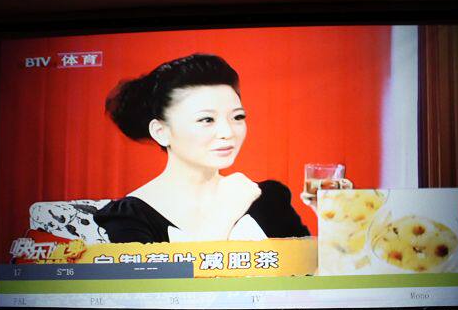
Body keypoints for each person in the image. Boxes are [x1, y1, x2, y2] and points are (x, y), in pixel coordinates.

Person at [94, 53, 310, 243]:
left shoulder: (266, 198)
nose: (227, 132)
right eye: (206, 119)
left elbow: (312, 270)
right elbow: (159, 279)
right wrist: (223, 215)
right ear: (161, 132)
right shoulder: (129, 217)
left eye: (237, 117)